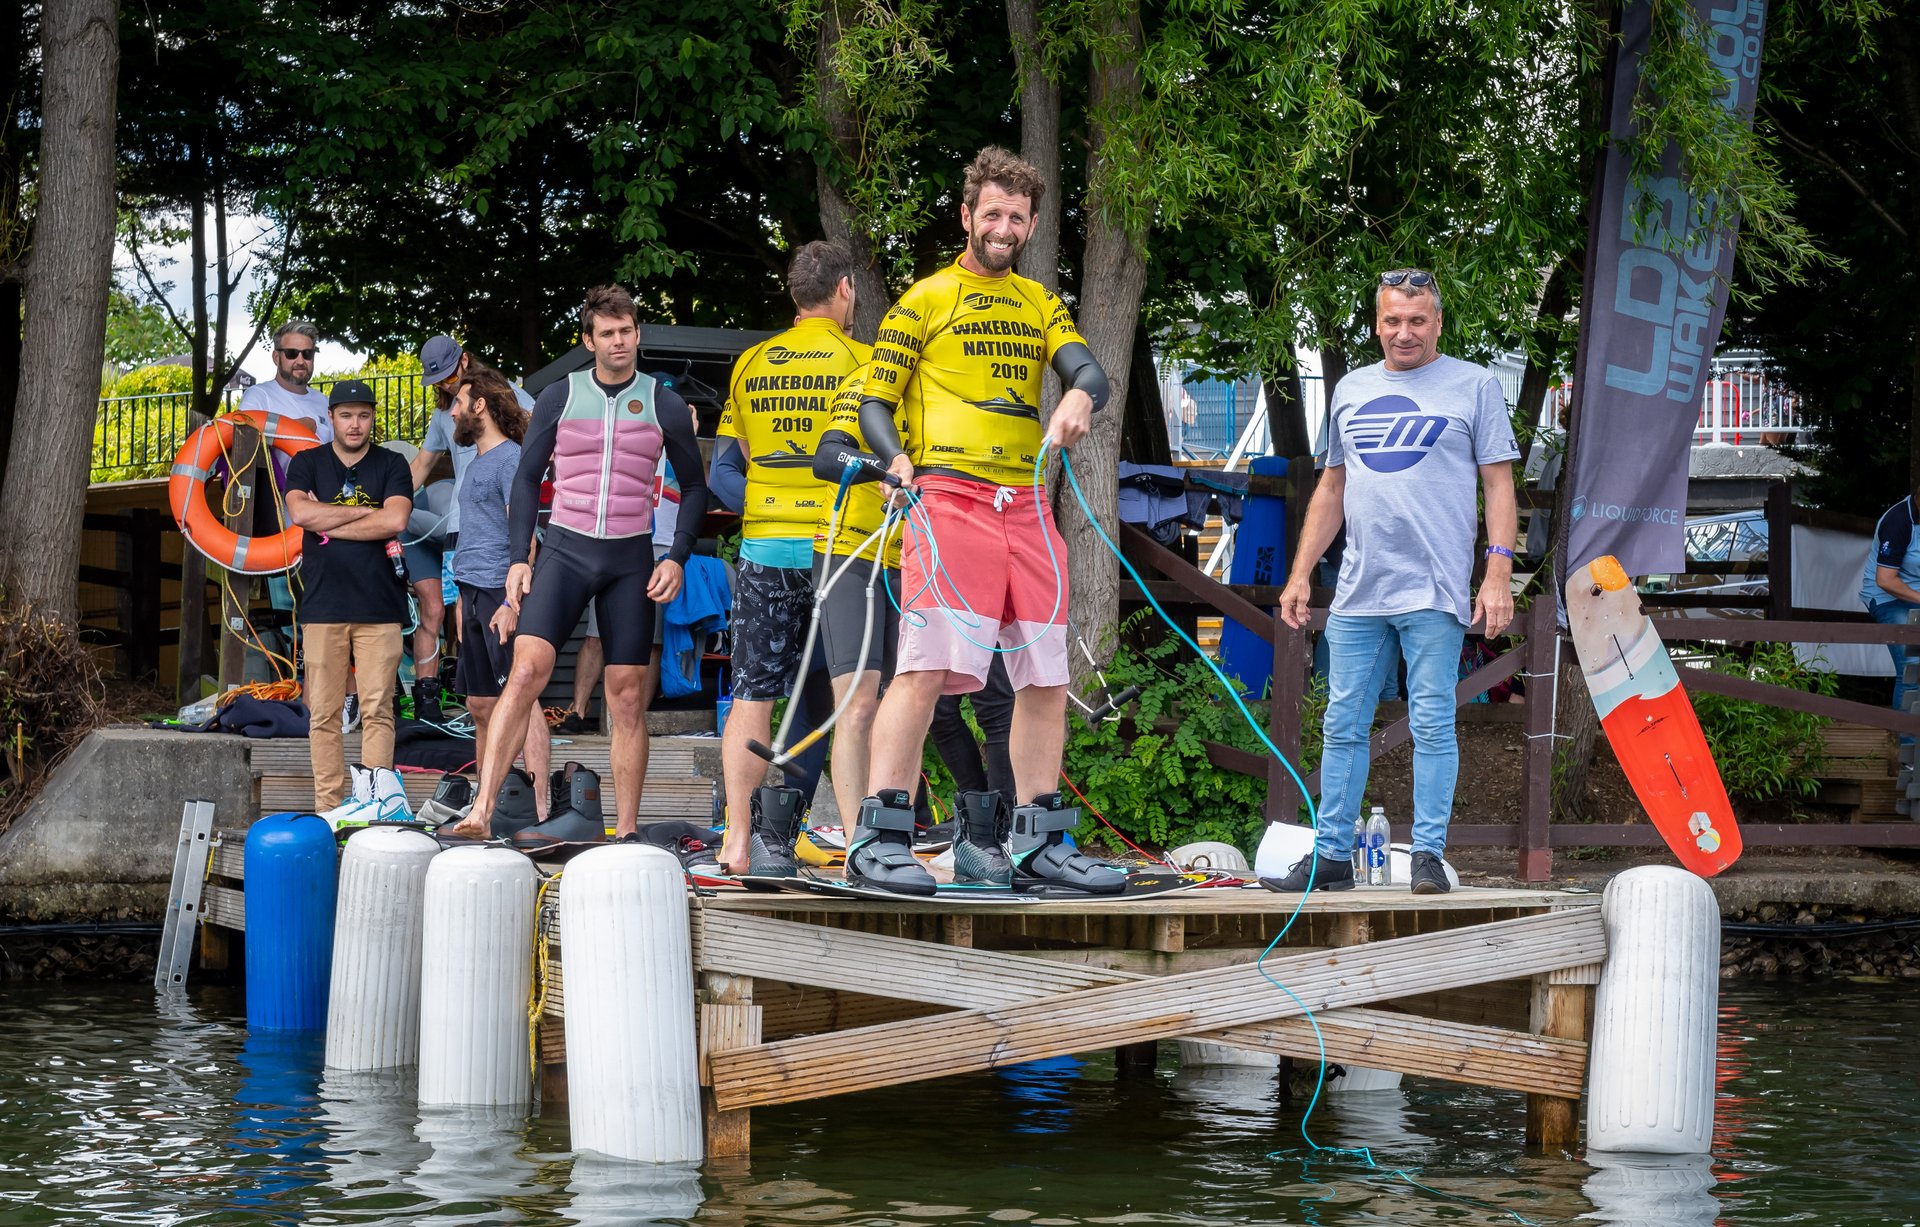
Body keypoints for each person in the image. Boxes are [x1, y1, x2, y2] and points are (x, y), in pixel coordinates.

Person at [854, 146, 1115, 897]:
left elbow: (1087, 370)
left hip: (1025, 506)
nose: (1004, 228)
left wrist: (1079, 395)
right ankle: (881, 836)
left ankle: (1039, 841)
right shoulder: (925, 299)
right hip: (947, 500)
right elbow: (875, 401)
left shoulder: (1039, 302)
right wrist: (895, 459)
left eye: (1017, 217)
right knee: (926, 667)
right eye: (992, 213)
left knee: (1045, 671)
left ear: (1031, 225)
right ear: (967, 215)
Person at [1272, 267, 1518, 896]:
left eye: (1416, 320)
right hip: (1360, 591)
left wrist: (1497, 573)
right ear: (1377, 324)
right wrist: (1300, 574)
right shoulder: (1351, 389)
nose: (1404, 332)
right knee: (1342, 723)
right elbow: (1332, 487)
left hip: (1434, 589)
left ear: (1437, 323)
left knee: (1432, 722)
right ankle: (1331, 857)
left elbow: (1498, 484)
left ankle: (1429, 857)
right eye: (1392, 321)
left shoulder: (1474, 385)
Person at [448, 285, 707, 841]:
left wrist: (678, 557)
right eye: (607, 333)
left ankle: (627, 831)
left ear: (637, 333)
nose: (619, 341)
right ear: (589, 340)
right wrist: (519, 558)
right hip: (566, 549)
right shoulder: (559, 396)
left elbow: (694, 487)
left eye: (626, 331)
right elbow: (526, 477)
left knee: (628, 695)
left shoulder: (662, 403)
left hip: (630, 556)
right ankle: (481, 811)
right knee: (525, 671)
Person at [708, 240, 869, 874]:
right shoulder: (863, 360)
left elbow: (734, 463)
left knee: (752, 694)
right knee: (851, 699)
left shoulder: (750, 363)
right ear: (845, 289)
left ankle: (737, 841)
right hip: (839, 546)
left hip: (766, 546)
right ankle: (861, 844)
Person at [283, 379, 414, 811]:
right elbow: (299, 512)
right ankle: (329, 810)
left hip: (381, 606)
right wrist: (365, 512)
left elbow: (395, 521)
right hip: (323, 606)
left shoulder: (393, 463)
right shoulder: (307, 462)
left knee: (378, 710)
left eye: (363, 415)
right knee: (324, 713)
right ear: (331, 418)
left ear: (372, 417)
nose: (354, 424)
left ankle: (374, 807)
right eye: (345, 415)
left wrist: (328, 520)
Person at [410, 338, 539, 715]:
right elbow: (422, 465)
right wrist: (386, 502)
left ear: (465, 360)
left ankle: (512, 711)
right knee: (463, 621)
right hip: (460, 526)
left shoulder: (506, 394)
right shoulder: (444, 414)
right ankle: (477, 706)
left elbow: (539, 440)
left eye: (449, 377)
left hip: (501, 527)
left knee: (505, 634)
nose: (445, 387)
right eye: (437, 381)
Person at [446, 367, 553, 814]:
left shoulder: (511, 459)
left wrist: (512, 601)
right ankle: (486, 805)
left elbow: (525, 533)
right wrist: (460, 600)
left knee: (522, 699)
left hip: (499, 591)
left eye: (458, 402)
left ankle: (541, 807)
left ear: (480, 405)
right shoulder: (477, 462)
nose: (452, 411)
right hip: (471, 590)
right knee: (480, 703)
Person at [1860, 489, 1920, 722]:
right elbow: (1885, 580)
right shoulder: (1898, 520)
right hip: (1888, 597)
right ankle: (1908, 743)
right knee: (1912, 666)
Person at [239, 321, 332, 442]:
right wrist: (298, 427)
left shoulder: (324, 402)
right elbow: (243, 435)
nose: (300, 361)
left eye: (307, 354)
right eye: (291, 353)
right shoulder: (259, 396)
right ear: (276, 358)